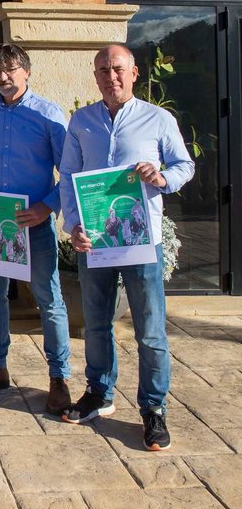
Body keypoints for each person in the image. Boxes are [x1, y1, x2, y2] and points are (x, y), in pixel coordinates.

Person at [59, 44, 194, 451]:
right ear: (95, 76)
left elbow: (184, 166)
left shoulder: (158, 118)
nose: (110, 76)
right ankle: (99, 393)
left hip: (141, 243)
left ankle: (153, 409)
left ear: (134, 73)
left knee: (150, 332)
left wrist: (161, 177)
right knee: (96, 324)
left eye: (117, 69)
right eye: (102, 70)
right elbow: (67, 175)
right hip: (96, 242)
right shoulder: (81, 121)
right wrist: (73, 225)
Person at [0, 43, 72, 413]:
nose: (3, 78)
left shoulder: (49, 115)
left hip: (33, 224)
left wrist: (46, 208)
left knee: (48, 300)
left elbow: (69, 173)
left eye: (10, 70)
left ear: (26, 71)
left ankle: (59, 377)